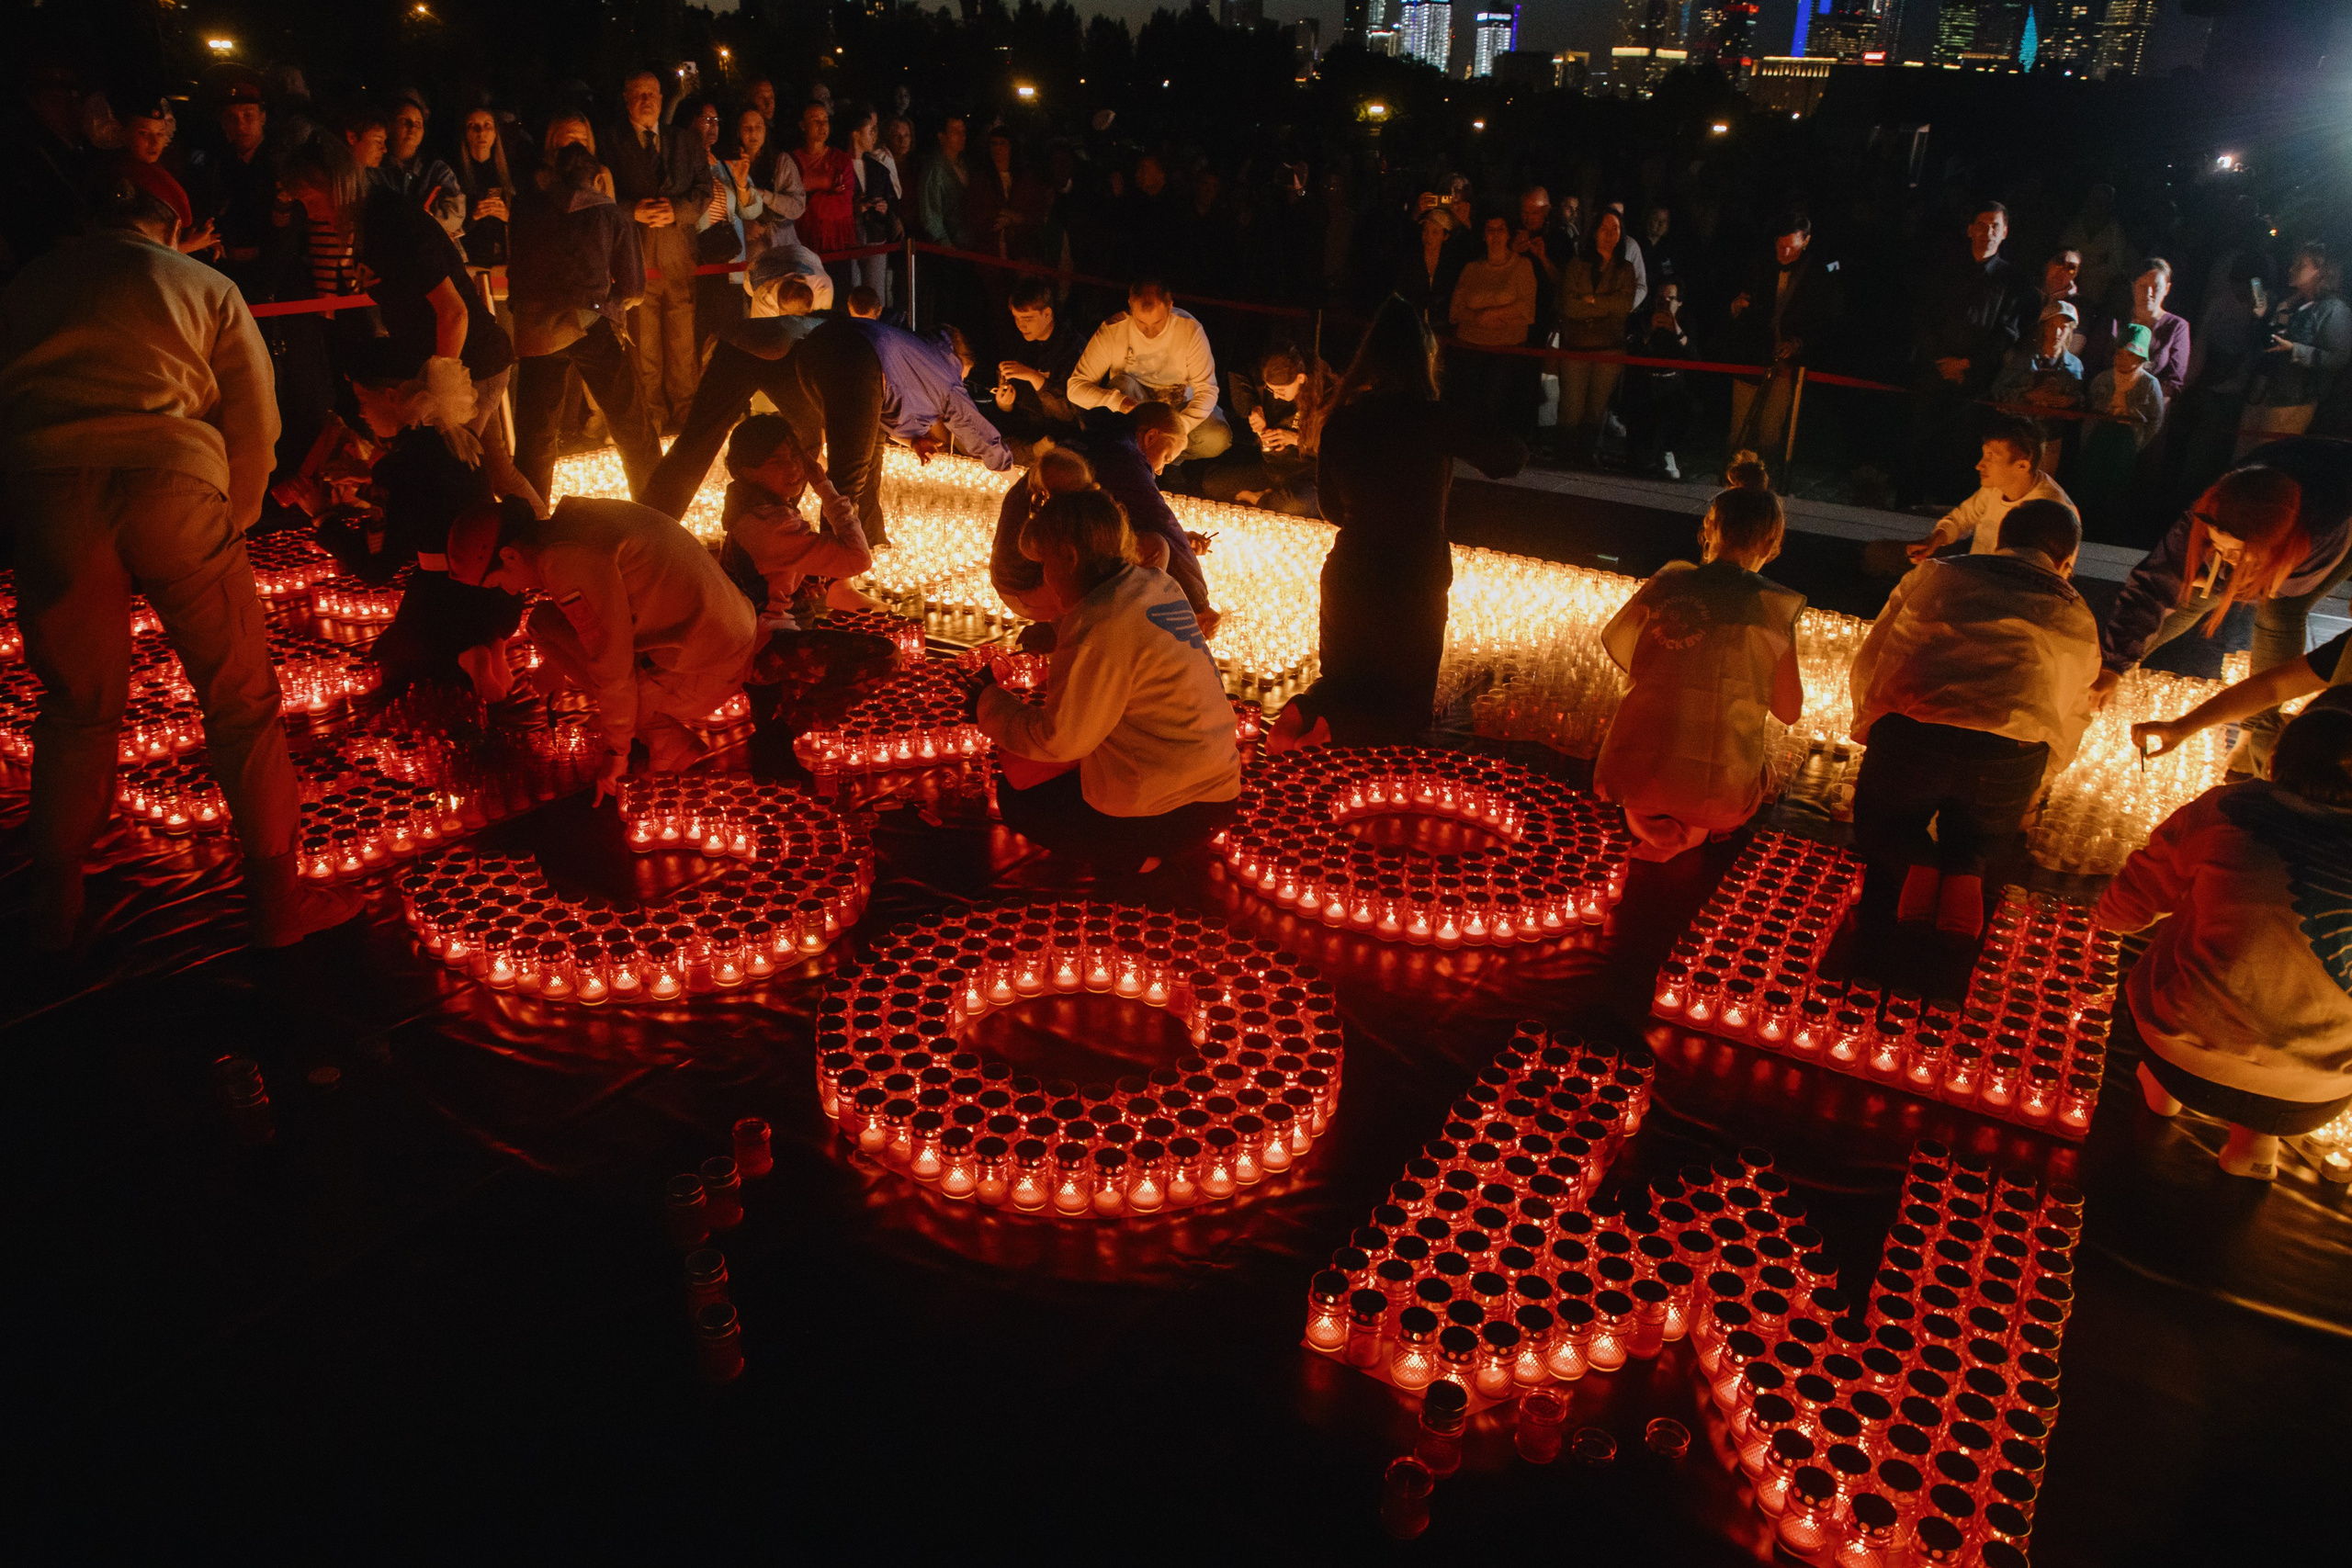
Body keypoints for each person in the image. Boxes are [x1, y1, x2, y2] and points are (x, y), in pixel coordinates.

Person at [0, 173, 357, 949]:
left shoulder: (27, 286)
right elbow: (254, 416)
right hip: (174, 481)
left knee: (76, 706)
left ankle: (53, 907)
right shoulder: (202, 283)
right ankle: (275, 901)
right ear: (172, 225)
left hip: (52, 489)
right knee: (240, 701)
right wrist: (234, 513)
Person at [2098, 694, 2352, 1181]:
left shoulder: (2232, 807)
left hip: (2179, 1057)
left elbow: (2136, 897)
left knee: (2191, 918)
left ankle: (2160, 1091)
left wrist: (2110, 915)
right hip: (2314, 1096)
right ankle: (2255, 1147)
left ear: (2275, 757)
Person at [1272, 297, 1527, 750]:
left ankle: (1309, 711)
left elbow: (1332, 510)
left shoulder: (1343, 420)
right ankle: (1333, 731)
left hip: (1349, 573)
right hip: (1412, 580)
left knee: (1344, 683)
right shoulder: (1432, 418)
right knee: (1405, 711)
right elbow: (1510, 458)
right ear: (1424, 359)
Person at [1848, 500, 2100, 956]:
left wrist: (1868, 727)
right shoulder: (2075, 610)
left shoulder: (1935, 573)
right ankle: (1969, 870)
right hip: (2010, 750)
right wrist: (2042, 776)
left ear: (2000, 541)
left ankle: (1912, 871)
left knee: (1882, 826)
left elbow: (1875, 654)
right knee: (1984, 838)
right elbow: (2073, 710)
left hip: (1913, 729)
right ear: (2068, 563)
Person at [976, 489, 1240, 874]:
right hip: (1221, 792)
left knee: (1016, 799)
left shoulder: (1098, 624)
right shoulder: (1155, 583)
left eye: (1046, 563)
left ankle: (1134, 856)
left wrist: (987, 703)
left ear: (1069, 557)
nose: (1046, 578)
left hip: (1165, 812)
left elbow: (1061, 740)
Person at [278, 137, 537, 513]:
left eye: (310, 197)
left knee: (453, 481)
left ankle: (488, 555)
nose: (308, 209)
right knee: (494, 472)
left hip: (471, 363)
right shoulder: (368, 225)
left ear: (336, 184)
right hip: (467, 360)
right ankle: (541, 541)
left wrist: (438, 397)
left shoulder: (390, 222)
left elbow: (453, 312)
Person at [448, 492, 758, 788]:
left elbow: (611, 662)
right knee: (543, 620)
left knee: (598, 670)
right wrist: (556, 665)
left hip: (706, 672)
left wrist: (617, 752)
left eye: (498, 582)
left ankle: (664, 739)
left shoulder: (564, 559)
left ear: (510, 555)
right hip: (729, 641)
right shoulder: (575, 520)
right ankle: (655, 729)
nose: (509, 591)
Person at [2095, 446, 2352, 767]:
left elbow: (2283, 592)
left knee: (2278, 614)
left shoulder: (2326, 530)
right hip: (2284, 475)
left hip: (2343, 497)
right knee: (2192, 595)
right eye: (2217, 545)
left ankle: (2254, 736)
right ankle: (2116, 676)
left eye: (2233, 553)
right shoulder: (2218, 507)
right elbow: (2154, 582)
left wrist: (2224, 584)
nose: (2222, 556)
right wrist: (2112, 665)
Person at [1594, 487, 1805, 861]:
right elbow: (1789, 711)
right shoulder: (1769, 606)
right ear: (1772, 541)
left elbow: (1622, 647)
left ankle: (1655, 829)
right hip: (1717, 797)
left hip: (1630, 777)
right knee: (1769, 767)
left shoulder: (1668, 582)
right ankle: (1692, 830)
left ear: (1709, 529)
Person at [322, 336, 523, 701]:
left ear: (391, 397)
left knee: (393, 665)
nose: (362, 414)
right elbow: (433, 499)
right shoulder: (460, 442)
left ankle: (466, 656)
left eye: (364, 401)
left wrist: (323, 519)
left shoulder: (397, 467)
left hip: (444, 601)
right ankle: (491, 647)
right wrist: (368, 482)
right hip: (499, 596)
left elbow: (378, 567)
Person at [641, 261, 888, 543]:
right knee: (709, 442)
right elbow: (857, 465)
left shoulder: (860, 349)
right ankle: (649, 532)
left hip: (752, 345)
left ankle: (653, 527)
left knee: (702, 441)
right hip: (766, 351)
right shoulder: (863, 359)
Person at [508, 141, 662, 505]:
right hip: (590, 321)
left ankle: (528, 523)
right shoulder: (607, 212)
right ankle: (659, 511)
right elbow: (633, 287)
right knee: (630, 423)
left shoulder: (527, 208)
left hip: (535, 331)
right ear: (595, 178)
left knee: (536, 436)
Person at [605, 70, 713, 436]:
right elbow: (599, 198)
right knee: (644, 343)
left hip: (678, 255)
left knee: (683, 342)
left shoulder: (685, 140)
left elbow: (704, 190)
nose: (646, 100)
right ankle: (651, 415)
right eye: (638, 93)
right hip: (634, 257)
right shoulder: (610, 143)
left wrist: (678, 211)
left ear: (663, 98)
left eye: (652, 93)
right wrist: (631, 211)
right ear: (626, 98)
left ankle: (686, 413)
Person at [1902, 201, 2033, 503]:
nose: (1988, 232)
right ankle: (1907, 507)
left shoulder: (2012, 280)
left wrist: (1968, 363)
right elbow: (1923, 317)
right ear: (1970, 229)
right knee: (1920, 442)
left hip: (1975, 379)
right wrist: (1941, 360)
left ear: (2005, 233)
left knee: (1964, 449)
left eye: (1995, 227)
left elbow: (2008, 330)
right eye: (1983, 225)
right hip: (1933, 372)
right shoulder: (1944, 268)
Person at [718, 412, 873, 628]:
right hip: (761, 634)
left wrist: (795, 581)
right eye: (777, 461)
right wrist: (824, 487)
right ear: (748, 473)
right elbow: (858, 559)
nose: (793, 467)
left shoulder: (749, 509)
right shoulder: (771, 524)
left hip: (746, 623)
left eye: (795, 456)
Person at [1066, 278, 1229, 468]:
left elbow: (1207, 390)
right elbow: (1075, 388)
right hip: (1136, 408)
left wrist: (1179, 430)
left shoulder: (1189, 330)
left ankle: (1169, 460)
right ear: (1130, 306)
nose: (1149, 331)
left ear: (1170, 307)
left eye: (1158, 322)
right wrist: (1118, 401)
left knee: (1217, 438)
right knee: (1122, 385)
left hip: (1178, 407)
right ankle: (1137, 462)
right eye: (1141, 322)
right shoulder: (1113, 330)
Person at [1724, 212, 1840, 457]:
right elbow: (1732, 299)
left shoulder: (1816, 275)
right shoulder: (1758, 264)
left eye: (1792, 247)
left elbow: (1822, 320)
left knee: (1771, 429)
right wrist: (1735, 307)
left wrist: (1799, 343)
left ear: (1806, 241)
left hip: (1785, 363)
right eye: (1781, 246)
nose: (1784, 253)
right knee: (1740, 428)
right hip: (1751, 353)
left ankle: (1762, 481)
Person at [1905, 416, 2076, 562]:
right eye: (1984, 454)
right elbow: (1962, 518)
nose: (1979, 465)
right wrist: (1933, 541)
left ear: (2022, 466)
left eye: (1991, 457)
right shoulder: (1995, 488)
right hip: (1979, 579)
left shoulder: (2052, 511)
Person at [855, 317, 1014, 471]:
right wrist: (1011, 474)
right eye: (961, 378)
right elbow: (976, 431)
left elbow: (884, 419)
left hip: (845, 337)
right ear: (957, 363)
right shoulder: (946, 376)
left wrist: (914, 442)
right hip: (861, 362)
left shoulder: (914, 353)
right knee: (858, 468)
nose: (959, 384)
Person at [2242, 240, 2349, 448]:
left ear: (2321, 271)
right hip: (2262, 392)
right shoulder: (2289, 303)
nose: (2291, 269)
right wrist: (2262, 317)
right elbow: (2263, 344)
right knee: (2243, 456)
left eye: (2300, 265)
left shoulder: (2334, 310)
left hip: (2292, 402)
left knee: (2266, 461)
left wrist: (2295, 350)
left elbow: (2338, 358)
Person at [1206, 343, 1335, 516]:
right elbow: (1240, 377)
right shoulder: (1271, 377)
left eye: (1281, 391)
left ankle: (1258, 499)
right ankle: (1270, 497)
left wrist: (1294, 439)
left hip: (1308, 476)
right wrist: (1254, 408)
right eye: (1270, 389)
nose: (1275, 395)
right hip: (1273, 470)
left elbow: (1337, 448)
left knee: (1298, 506)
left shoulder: (1329, 395)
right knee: (1213, 484)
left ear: (1301, 378)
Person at [1556, 208, 1638, 466]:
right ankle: (1564, 459)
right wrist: (1604, 304)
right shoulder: (1577, 265)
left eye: (1615, 229)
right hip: (1576, 346)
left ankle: (1586, 459)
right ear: (1594, 232)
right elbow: (1569, 306)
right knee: (1571, 409)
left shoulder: (1625, 269)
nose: (1609, 234)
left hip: (1609, 349)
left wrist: (1590, 300)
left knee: (1595, 410)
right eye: (1604, 228)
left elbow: (1623, 305)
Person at [1447, 209, 1539, 427]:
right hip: (1470, 347)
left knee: (1493, 406)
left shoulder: (1522, 267)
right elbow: (1455, 311)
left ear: (1509, 234)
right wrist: (1478, 317)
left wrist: (1493, 314)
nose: (1496, 235)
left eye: (1501, 230)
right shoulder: (1471, 269)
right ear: (1484, 235)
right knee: (1469, 405)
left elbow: (1527, 310)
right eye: (1490, 230)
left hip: (1504, 350)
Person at [986, 274, 1087, 455]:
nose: (1021, 326)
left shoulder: (1073, 348)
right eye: (1017, 318)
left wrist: (1035, 377)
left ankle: (1033, 453)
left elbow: (1069, 413)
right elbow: (1010, 402)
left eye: (1028, 319)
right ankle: (1031, 452)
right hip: (1026, 428)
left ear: (1047, 314)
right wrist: (1004, 403)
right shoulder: (1019, 343)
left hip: (1061, 430)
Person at [2083, 258, 2190, 401]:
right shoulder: (2114, 319)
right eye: (2142, 286)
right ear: (2133, 286)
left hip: (2147, 404)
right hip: (2106, 398)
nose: (2149, 293)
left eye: (2156, 287)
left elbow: (2172, 382)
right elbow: (2091, 362)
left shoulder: (2177, 327)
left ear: (2167, 288)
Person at [1623, 280, 1699, 480]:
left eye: (1670, 299)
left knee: (1686, 410)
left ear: (1679, 302)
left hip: (1672, 382)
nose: (1664, 303)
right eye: (1660, 298)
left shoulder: (1686, 321)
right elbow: (1631, 351)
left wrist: (1677, 331)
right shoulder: (1643, 318)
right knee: (1637, 456)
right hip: (1645, 381)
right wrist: (1649, 333)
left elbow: (1694, 357)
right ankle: (1641, 456)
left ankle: (1667, 452)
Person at [378, 92, 464, 237]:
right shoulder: (376, 170)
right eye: (405, 121)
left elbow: (454, 217)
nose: (413, 127)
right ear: (390, 126)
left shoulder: (438, 171)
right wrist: (425, 219)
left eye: (418, 123)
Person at [452, 107, 514, 287]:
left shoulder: (509, 175)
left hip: (502, 265)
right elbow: (445, 228)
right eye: (474, 126)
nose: (481, 132)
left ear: (495, 134)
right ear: (465, 134)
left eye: (488, 126)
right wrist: (473, 217)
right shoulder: (453, 175)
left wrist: (508, 217)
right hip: (467, 266)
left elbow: (527, 224)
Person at [1990, 302, 2086, 416]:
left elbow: (2082, 400)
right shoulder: (2022, 359)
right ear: (2044, 327)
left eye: (2063, 327)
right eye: (2052, 326)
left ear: (2070, 330)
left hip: (2053, 429)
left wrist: (2071, 401)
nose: (2057, 333)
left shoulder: (2075, 365)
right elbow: (1996, 391)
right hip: (2018, 427)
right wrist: (2027, 396)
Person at [789, 101, 856, 258]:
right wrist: (828, 194)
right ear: (803, 125)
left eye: (825, 120)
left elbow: (844, 205)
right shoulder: (791, 160)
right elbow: (791, 204)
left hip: (835, 241)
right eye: (815, 120)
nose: (822, 125)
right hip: (802, 240)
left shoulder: (840, 160)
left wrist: (810, 198)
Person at [1395, 206, 1462, 333]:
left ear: (1445, 236)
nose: (1428, 236)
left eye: (1435, 232)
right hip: (1413, 326)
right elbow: (1401, 291)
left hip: (1442, 328)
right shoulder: (1412, 259)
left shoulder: (1451, 264)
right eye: (1425, 230)